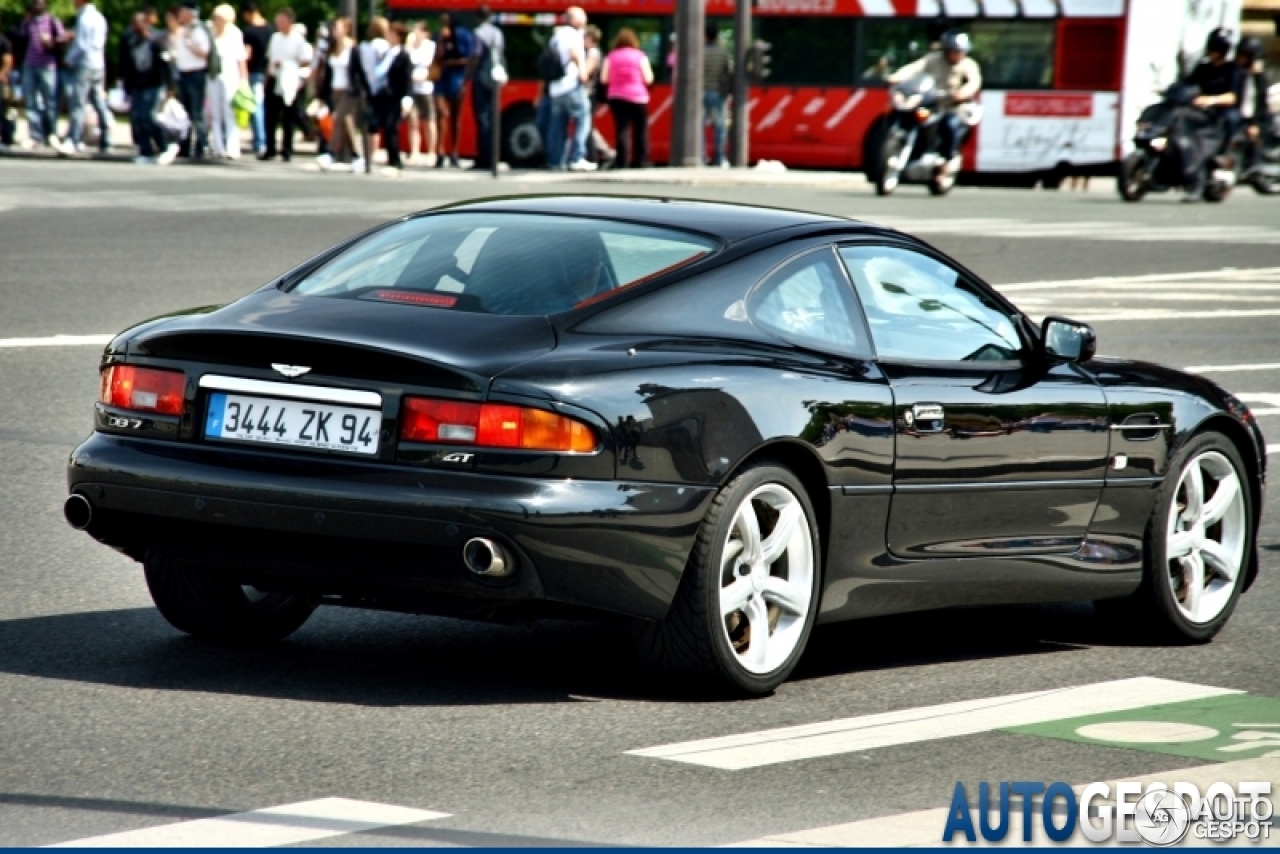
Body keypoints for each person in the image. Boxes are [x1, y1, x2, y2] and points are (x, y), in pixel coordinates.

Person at [888, 29, 981, 176]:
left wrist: (962, 93)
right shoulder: (933, 59)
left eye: (961, 51)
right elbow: (914, 68)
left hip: (953, 106)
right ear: (947, 50)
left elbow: (974, 82)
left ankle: (947, 158)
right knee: (910, 114)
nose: (958, 55)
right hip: (932, 103)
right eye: (954, 51)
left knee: (949, 124)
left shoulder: (968, 65)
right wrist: (897, 76)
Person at [353, 19, 410, 174]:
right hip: (383, 95)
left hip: (396, 96)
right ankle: (388, 157)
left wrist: (406, 98)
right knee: (383, 125)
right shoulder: (387, 53)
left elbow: (406, 79)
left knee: (392, 127)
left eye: (392, 34)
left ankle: (395, 160)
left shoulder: (403, 55)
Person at [545, 5, 594, 171]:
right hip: (571, 85)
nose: (585, 20)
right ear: (574, 19)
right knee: (583, 118)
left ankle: (555, 160)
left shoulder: (556, 35)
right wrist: (583, 73)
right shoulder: (573, 35)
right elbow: (576, 54)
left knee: (557, 125)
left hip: (555, 88)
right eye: (583, 17)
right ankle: (577, 157)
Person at [119, 9, 171, 163]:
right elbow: (127, 64)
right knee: (137, 119)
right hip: (137, 85)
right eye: (134, 25)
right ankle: (145, 151)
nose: (136, 28)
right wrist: (126, 85)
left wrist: (170, 86)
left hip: (154, 83)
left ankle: (164, 145)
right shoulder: (131, 40)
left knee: (149, 117)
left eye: (139, 24)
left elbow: (167, 63)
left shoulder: (157, 39)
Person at [260, 7, 310, 161]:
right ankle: (270, 147)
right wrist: (267, 78)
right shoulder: (275, 38)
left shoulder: (298, 39)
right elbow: (269, 59)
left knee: (289, 116)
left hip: (289, 78)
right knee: (270, 115)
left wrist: (288, 65)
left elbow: (305, 61)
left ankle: (287, 149)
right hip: (275, 77)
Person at [60, 0, 108, 155]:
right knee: (98, 102)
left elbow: (81, 45)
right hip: (99, 63)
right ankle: (106, 140)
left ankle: (73, 140)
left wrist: (69, 59)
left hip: (85, 64)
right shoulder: (100, 17)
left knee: (78, 103)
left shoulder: (84, 18)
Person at [600, 26, 651, 169]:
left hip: (616, 97)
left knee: (622, 129)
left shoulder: (611, 56)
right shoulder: (640, 55)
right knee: (640, 129)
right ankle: (641, 160)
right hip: (638, 97)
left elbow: (604, 78)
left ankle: (622, 161)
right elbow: (648, 78)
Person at [18, 0, 65, 149]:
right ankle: (35, 136)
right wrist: (25, 21)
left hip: (48, 65)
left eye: (39, 3)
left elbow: (63, 38)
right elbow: (21, 37)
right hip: (30, 64)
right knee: (31, 101)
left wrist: (51, 42)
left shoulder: (52, 21)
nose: (36, 5)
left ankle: (51, 133)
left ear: (45, 5)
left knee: (50, 101)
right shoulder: (29, 22)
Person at [1187, 28, 1243, 146]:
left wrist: (1211, 100)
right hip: (1200, 107)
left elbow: (1232, 97)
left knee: (1230, 119)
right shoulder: (1203, 68)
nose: (1212, 52)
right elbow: (1189, 84)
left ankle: (1224, 150)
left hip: (1222, 109)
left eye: (1215, 49)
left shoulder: (1233, 70)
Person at [320, 16, 361, 169]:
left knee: (337, 118)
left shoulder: (353, 48)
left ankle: (330, 153)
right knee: (346, 123)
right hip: (335, 90)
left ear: (346, 29)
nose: (334, 31)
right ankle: (357, 156)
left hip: (348, 91)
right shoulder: (332, 47)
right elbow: (327, 73)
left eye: (337, 28)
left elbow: (358, 71)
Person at [173, 1, 212, 159]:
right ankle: (184, 145)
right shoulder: (182, 30)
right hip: (183, 73)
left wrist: (189, 42)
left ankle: (201, 145)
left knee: (196, 112)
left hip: (196, 74)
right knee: (185, 112)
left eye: (182, 12)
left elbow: (204, 53)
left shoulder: (198, 30)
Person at [466, 5, 503, 170]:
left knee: (482, 117)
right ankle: (494, 156)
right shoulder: (498, 34)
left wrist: (467, 76)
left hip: (481, 78)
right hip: (496, 79)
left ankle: (484, 157)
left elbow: (476, 55)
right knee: (493, 117)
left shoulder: (478, 33)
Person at [433, 13, 471, 168]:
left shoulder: (463, 35)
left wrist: (451, 62)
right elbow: (436, 58)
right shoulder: (439, 35)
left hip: (456, 77)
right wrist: (441, 41)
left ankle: (454, 151)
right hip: (442, 78)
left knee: (455, 116)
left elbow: (468, 58)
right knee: (441, 113)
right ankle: (439, 151)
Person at [208, 4, 245, 158]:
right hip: (213, 75)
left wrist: (244, 79)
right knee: (215, 113)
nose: (218, 22)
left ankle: (232, 146)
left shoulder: (235, 33)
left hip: (230, 75)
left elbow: (240, 58)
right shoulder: (210, 32)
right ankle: (218, 146)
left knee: (229, 111)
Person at [240, 1, 271, 155]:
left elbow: (246, 54)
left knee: (255, 107)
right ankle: (261, 140)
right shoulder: (271, 29)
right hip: (267, 72)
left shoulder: (249, 32)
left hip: (253, 72)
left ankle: (259, 141)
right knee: (262, 107)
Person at [582, 24, 613, 166]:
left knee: (586, 126)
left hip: (589, 93)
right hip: (592, 93)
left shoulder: (593, 53)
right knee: (586, 125)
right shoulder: (595, 52)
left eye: (584, 37)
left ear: (591, 38)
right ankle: (600, 153)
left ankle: (601, 153)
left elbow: (586, 73)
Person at [701, 22, 731, 167]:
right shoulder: (723, 52)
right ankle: (719, 158)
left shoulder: (699, 51)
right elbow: (728, 72)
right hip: (717, 93)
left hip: (699, 94)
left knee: (699, 127)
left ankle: (701, 156)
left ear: (705, 35)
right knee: (720, 128)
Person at [406, 21, 435, 165]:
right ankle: (414, 152)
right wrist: (409, 44)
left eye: (418, 30)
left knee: (429, 120)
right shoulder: (410, 46)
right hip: (412, 89)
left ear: (425, 33)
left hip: (425, 88)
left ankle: (431, 152)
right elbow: (405, 61)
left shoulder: (430, 46)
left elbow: (428, 64)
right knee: (413, 121)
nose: (416, 33)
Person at [0, 23, 15, 149]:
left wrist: (2, 74)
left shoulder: (3, 41)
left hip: (1, 81)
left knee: (2, 110)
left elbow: (8, 60)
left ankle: (6, 139)